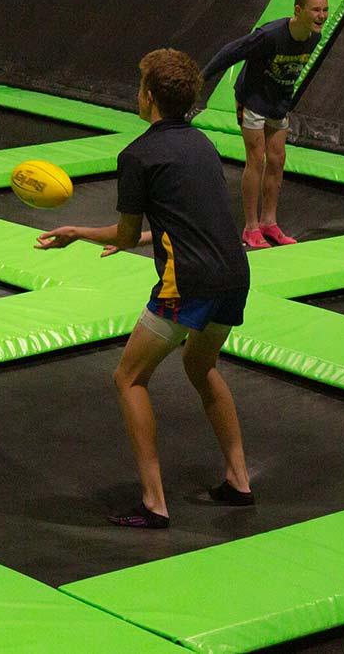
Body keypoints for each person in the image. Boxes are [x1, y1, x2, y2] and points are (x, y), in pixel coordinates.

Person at [36, 48, 254, 528]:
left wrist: (75, 233)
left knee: (128, 377)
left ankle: (154, 503)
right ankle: (239, 479)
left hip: (189, 282)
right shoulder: (202, 143)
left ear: (149, 96)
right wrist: (145, 238)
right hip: (234, 273)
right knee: (201, 364)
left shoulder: (136, 155)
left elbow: (124, 234)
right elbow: (194, 220)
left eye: (140, 88)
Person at [200, 0, 331, 249]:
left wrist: (285, 101)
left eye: (325, 10)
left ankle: (268, 222)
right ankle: (250, 228)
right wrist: (201, 79)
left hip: (277, 102)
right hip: (251, 99)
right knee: (256, 159)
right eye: (316, 10)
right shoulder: (270, 35)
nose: (322, 15)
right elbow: (230, 52)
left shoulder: (314, 37)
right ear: (298, 10)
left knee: (277, 159)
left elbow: (292, 72)